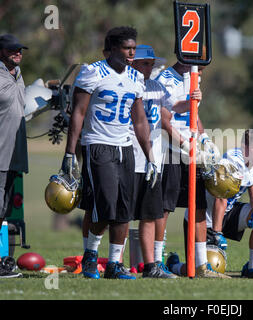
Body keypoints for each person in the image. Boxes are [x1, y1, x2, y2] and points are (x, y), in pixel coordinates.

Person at [62, 26, 156, 280]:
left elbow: (139, 121)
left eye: (133, 49)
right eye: (127, 48)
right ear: (112, 49)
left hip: (125, 147)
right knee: (106, 205)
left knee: (124, 208)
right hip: (98, 144)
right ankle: (90, 257)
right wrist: (70, 153)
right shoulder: (92, 72)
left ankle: (114, 264)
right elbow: (78, 114)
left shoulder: (136, 78)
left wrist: (150, 156)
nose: (131, 54)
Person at [166, 129, 253, 279]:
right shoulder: (232, 160)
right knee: (201, 269)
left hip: (227, 213)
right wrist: (217, 233)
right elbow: (221, 198)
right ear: (244, 147)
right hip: (205, 219)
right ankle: (173, 265)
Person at [154, 57, 227, 278]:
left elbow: (192, 115)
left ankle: (202, 265)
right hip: (172, 152)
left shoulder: (193, 77)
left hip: (192, 152)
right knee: (164, 208)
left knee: (199, 206)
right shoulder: (165, 79)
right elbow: (165, 118)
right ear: (187, 61)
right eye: (200, 68)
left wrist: (204, 139)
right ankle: (157, 262)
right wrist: (186, 144)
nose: (201, 74)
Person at [131, 44, 195, 278]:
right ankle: (110, 261)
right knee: (120, 213)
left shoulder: (156, 86)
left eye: (151, 64)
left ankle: (153, 264)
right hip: (135, 153)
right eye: (145, 64)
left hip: (154, 157)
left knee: (152, 211)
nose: (149, 69)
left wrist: (191, 102)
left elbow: (171, 110)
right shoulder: (129, 85)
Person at [0, 34, 29, 279]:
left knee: (4, 209)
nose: (17, 53)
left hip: (12, 156)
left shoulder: (17, 74)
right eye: (12, 50)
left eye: (19, 49)